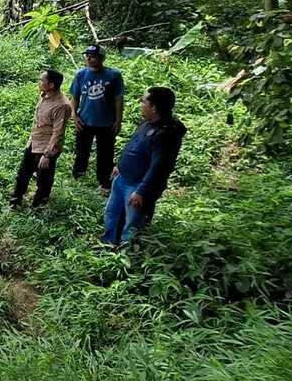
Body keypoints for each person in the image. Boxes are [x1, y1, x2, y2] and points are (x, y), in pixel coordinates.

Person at [101, 87, 187, 247]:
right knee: (112, 216)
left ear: (154, 107)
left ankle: (127, 258)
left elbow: (159, 167)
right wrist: (120, 165)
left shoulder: (166, 134)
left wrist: (142, 191)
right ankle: (108, 246)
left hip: (138, 186)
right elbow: (133, 145)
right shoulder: (147, 123)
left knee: (132, 226)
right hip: (123, 179)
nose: (140, 104)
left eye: (144, 101)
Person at [69, 44, 125, 194]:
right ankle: (78, 176)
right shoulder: (81, 74)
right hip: (85, 120)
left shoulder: (114, 75)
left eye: (92, 56)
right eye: (87, 55)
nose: (88, 58)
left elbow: (118, 99)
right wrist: (74, 116)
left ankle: (104, 182)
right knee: (81, 151)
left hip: (107, 122)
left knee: (105, 154)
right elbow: (74, 96)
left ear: (101, 58)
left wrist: (118, 120)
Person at [10, 69, 70, 208]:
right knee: (23, 174)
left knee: (44, 180)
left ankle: (38, 206)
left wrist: (47, 155)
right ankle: (15, 200)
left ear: (51, 85)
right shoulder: (44, 95)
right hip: (34, 142)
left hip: (47, 148)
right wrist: (30, 141)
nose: (39, 82)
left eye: (42, 80)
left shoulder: (62, 105)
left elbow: (58, 133)